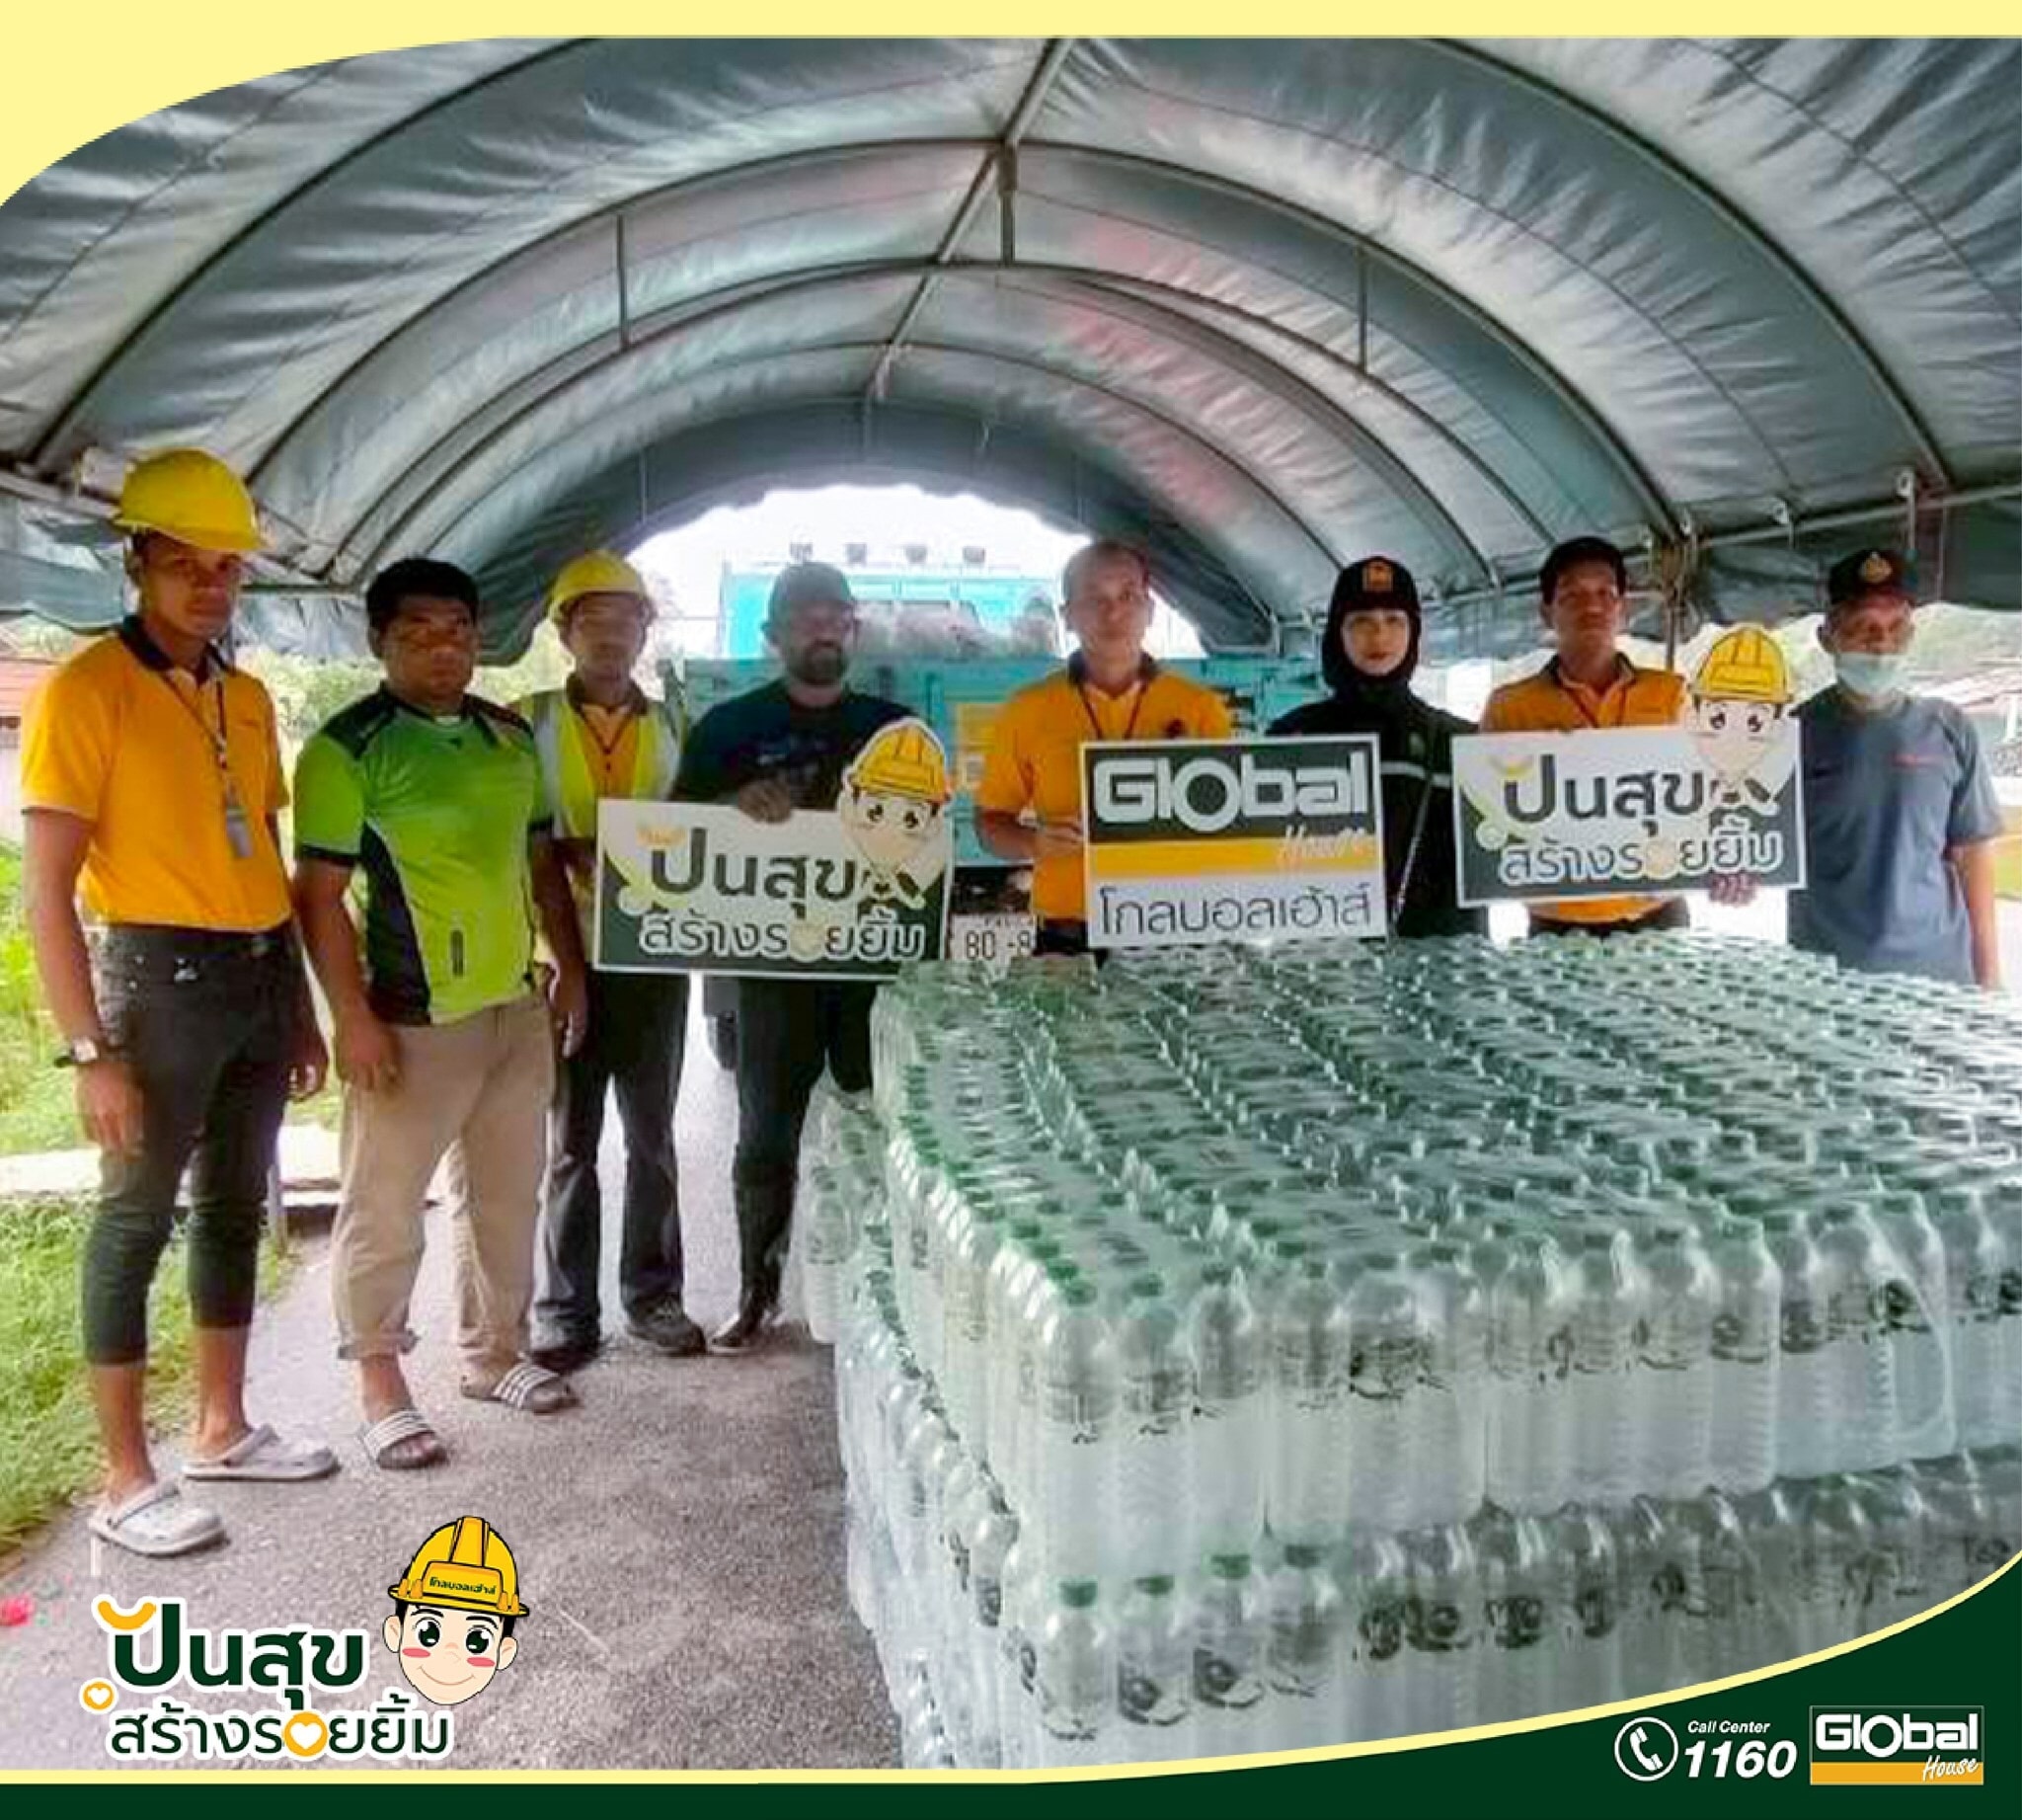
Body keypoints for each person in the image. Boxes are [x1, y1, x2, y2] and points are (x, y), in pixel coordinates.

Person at [19, 448, 334, 1557]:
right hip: (157, 982)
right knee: (135, 1217)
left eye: (226, 567)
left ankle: (221, 1427)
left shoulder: (244, 696)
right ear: (137, 562)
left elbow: (268, 855)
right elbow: (45, 892)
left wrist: (299, 1005)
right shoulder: (85, 690)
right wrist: (89, 1050)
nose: (208, 585)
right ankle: (123, 1479)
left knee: (235, 1205)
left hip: (257, 972)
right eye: (184, 563)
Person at [291, 558, 590, 1469]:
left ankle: (493, 1353)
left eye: (456, 630)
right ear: (379, 641)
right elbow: (318, 896)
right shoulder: (348, 747)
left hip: (514, 1007)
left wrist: (568, 969)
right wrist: (352, 1016)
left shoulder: (509, 737)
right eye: (416, 632)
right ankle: (380, 1385)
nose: (441, 648)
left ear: (478, 637)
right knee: (385, 1206)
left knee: (505, 1195)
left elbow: (540, 866)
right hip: (410, 1018)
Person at [673, 562, 910, 1353]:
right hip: (773, 970)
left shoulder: (896, 728)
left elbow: (928, 834)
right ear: (772, 633)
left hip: (872, 968)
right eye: (806, 615)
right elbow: (671, 831)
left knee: (887, 1125)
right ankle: (757, 1291)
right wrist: (729, 806)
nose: (823, 626)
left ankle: (891, 1289)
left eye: (837, 614)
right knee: (765, 1135)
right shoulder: (727, 728)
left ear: (854, 629)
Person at [516, 552, 699, 1371]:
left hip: (655, 962)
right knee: (571, 1141)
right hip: (565, 963)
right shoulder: (525, 724)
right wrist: (568, 966)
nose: (610, 634)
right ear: (564, 632)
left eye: (625, 618)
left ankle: (654, 1298)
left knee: (652, 1135)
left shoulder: (677, 725)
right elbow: (528, 849)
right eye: (591, 618)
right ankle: (565, 1312)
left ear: (645, 630)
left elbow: (702, 831)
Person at [974, 539, 1233, 955]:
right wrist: (1033, 843)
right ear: (1067, 617)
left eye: (1128, 596)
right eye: (1094, 599)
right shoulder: (1028, 709)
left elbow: (1230, 832)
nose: (1113, 613)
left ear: (1150, 611)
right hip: (1067, 940)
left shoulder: (1199, 709)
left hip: (1173, 937)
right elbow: (989, 824)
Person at [1789, 546, 2002, 988]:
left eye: (1895, 628)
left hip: (1939, 977)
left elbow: (1973, 854)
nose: (1881, 644)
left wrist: (1990, 975)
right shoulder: (1789, 734)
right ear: (1827, 637)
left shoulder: (1949, 728)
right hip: (1825, 979)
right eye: (1862, 627)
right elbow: (1754, 842)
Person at [1479, 535, 1692, 936]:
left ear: (1624, 609)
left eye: (1605, 593)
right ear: (1547, 612)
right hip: (1557, 919)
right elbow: (1488, 818)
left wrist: (1733, 864)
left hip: (1656, 914)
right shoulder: (1510, 707)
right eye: (1572, 595)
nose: (1591, 606)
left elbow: (1710, 800)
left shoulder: (1673, 694)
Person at [1267, 556, 1485, 939]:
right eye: (1361, 621)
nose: (1379, 635)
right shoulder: (1293, 737)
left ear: (1414, 633)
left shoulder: (1460, 742)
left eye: (1394, 620)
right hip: (1324, 961)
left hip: (1438, 961)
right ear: (1338, 634)